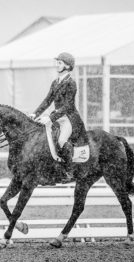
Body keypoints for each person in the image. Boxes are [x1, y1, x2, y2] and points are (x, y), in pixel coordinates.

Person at [30, 52, 87, 181]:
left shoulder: (71, 83)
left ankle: (69, 171)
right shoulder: (55, 82)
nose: (57, 65)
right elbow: (47, 101)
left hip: (68, 118)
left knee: (61, 141)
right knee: (43, 138)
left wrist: (50, 118)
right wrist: (35, 113)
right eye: (57, 62)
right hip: (57, 117)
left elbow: (68, 106)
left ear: (67, 66)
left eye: (59, 63)